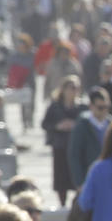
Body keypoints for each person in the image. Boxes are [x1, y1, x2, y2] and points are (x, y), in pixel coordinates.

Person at [42, 74, 83, 205]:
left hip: (77, 147)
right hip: (60, 146)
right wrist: (57, 126)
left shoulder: (82, 107)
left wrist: (75, 125)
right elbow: (45, 123)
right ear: (64, 89)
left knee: (76, 175)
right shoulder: (55, 106)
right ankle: (62, 203)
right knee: (61, 178)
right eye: (71, 87)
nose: (74, 91)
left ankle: (77, 204)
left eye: (76, 88)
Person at [67, 86, 112, 195]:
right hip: (88, 178)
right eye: (100, 107)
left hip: (109, 179)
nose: (104, 110)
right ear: (91, 106)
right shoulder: (82, 125)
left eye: (106, 107)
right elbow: (74, 155)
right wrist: (79, 183)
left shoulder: (111, 124)